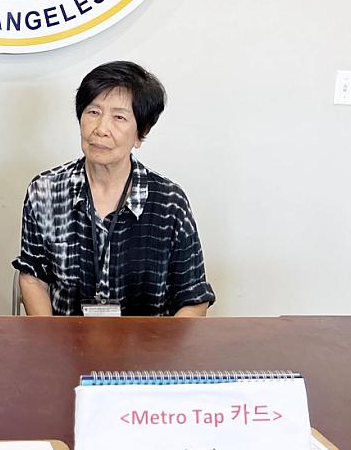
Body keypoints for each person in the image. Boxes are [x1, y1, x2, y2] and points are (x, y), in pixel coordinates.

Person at [13, 61, 214, 317]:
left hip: (150, 351)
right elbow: (33, 278)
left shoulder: (169, 202)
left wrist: (162, 356)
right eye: (93, 112)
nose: (101, 129)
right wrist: (51, 347)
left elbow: (193, 298)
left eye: (119, 117)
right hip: (65, 349)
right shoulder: (45, 191)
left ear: (140, 134)